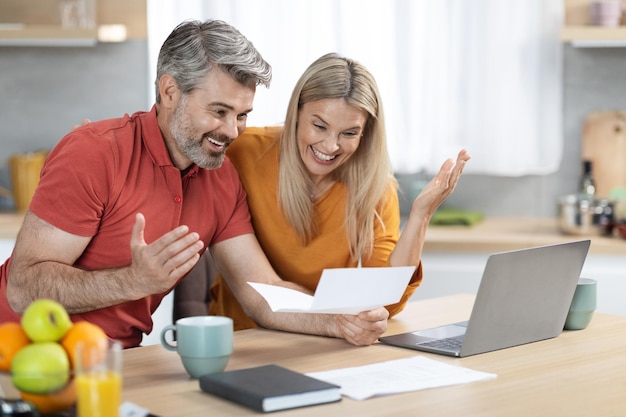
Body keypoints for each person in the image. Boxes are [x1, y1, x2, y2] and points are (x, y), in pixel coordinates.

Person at [0, 19, 272, 348]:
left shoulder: (221, 177)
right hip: (18, 360)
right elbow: (23, 287)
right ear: (170, 91)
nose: (232, 131)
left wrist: (340, 320)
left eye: (242, 115)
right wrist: (135, 280)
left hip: (116, 365)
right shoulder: (94, 152)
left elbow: (260, 291)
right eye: (219, 111)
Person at [173, 53, 471, 334]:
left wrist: (421, 215)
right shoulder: (243, 152)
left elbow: (383, 301)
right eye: (319, 126)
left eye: (349, 133)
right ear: (297, 113)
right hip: (244, 338)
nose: (330, 146)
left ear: (366, 132)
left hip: (320, 337)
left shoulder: (374, 187)